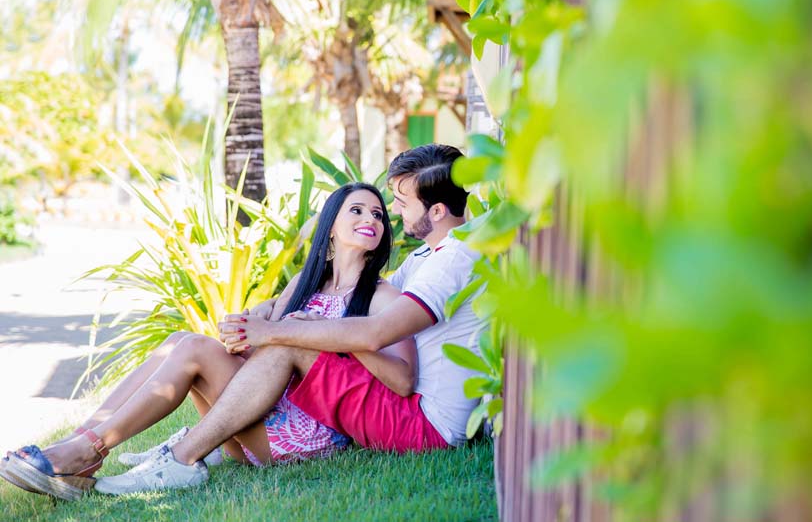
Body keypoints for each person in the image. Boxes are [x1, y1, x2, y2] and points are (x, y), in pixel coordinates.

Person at [85, 143, 486, 495]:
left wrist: (287, 329)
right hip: (361, 406)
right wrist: (268, 312)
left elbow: (377, 334)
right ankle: (82, 444)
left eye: (398, 204)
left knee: (288, 339)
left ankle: (180, 457)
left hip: (426, 422)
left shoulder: (450, 259)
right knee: (185, 342)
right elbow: (352, 303)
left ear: (435, 210)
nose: (391, 213)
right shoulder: (423, 259)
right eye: (370, 209)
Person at [0, 182, 416, 500]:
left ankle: (85, 452)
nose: (372, 219)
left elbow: (403, 381)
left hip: (304, 434)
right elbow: (262, 339)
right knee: (182, 340)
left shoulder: (384, 298)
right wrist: (240, 330)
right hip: (255, 414)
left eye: (379, 214)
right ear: (330, 228)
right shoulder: (304, 288)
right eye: (357, 210)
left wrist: (333, 337)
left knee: (195, 350)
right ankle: (75, 445)